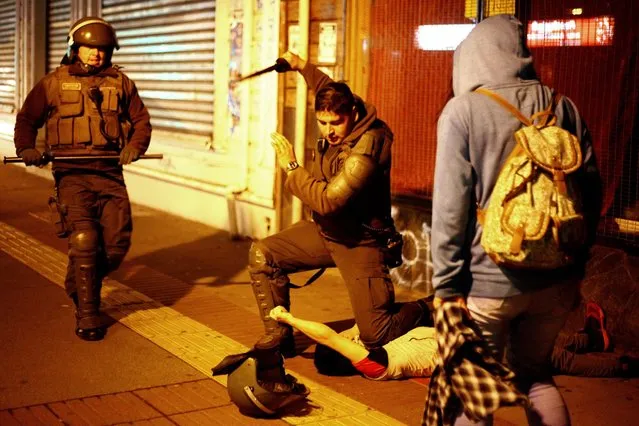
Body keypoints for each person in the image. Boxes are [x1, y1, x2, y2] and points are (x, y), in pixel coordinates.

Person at [430, 15, 602, 426]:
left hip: (490, 281)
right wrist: (575, 265)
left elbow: (449, 209)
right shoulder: (563, 106)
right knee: (537, 377)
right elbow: (591, 191)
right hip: (556, 277)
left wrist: (446, 286)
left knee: (475, 393)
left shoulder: (463, 111)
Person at [249, 51, 430, 358]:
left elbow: (329, 200)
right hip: (326, 233)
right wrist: (299, 63)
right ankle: (279, 336)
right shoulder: (340, 103)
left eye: (336, 122)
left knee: (377, 336)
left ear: (353, 114)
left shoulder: (368, 147)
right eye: (322, 122)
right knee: (262, 255)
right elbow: (323, 84)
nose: (329, 130)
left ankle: (430, 307)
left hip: (359, 241)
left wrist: (292, 167)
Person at [13, 17, 152, 341]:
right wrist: (27, 148)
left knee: (116, 245)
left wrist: (134, 145)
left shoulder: (121, 83)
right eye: (90, 48)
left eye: (102, 50)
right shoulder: (54, 82)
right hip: (71, 175)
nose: (96, 55)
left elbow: (141, 120)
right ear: (76, 48)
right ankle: (88, 313)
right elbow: (27, 119)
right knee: (85, 240)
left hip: (109, 173)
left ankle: (79, 276)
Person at [269, 306, 437, 380]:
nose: (351, 339)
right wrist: (289, 319)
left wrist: (351, 332)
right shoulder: (376, 366)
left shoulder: (379, 353)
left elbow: (362, 325)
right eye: (347, 341)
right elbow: (328, 337)